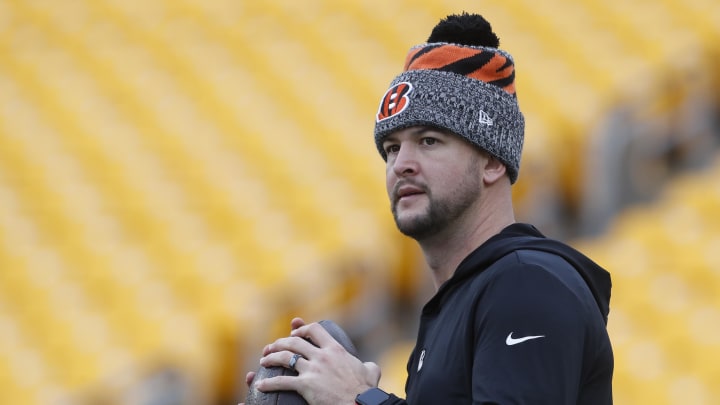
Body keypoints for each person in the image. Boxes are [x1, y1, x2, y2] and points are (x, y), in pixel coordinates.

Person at [242, 12, 613, 405]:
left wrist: (358, 399)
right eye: (392, 148)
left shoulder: (526, 284)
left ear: (492, 161)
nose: (401, 163)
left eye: (429, 140)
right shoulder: (459, 303)